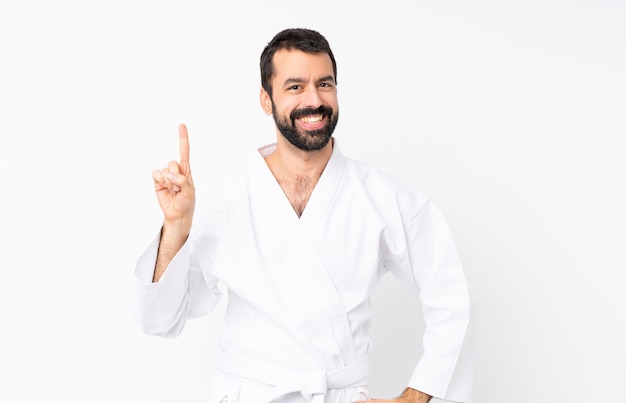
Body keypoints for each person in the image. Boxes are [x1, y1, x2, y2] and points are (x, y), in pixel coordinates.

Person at [130, 28, 473, 403]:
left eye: (324, 84)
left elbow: (452, 297)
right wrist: (176, 229)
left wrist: (417, 395)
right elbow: (159, 320)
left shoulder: (384, 197)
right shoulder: (224, 201)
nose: (314, 99)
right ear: (266, 99)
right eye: (295, 87)